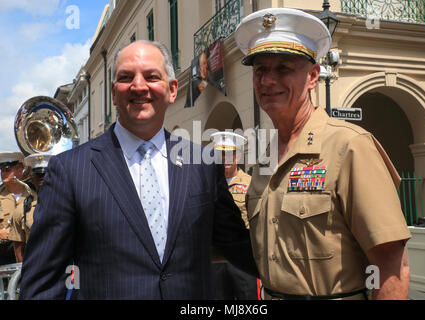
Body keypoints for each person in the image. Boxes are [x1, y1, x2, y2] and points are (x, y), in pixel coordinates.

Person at [19, 40, 257, 299]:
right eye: (126, 77)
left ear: (172, 89)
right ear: (113, 93)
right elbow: (43, 282)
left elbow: (239, 246)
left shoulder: (203, 163)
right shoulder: (70, 170)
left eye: (152, 76)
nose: (139, 85)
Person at [234, 8, 411, 300]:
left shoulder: (349, 145)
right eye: (260, 70)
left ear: (314, 76)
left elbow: (391, 265)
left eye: (283, 68)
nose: (267, 80)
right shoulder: (264, 159)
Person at [209, 132, 258, 300]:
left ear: (237, 155)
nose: (225, 159)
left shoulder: (250, 184)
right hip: (215, 260)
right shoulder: (206, 182)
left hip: (242, 259)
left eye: (229, 153)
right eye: (220, 154)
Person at [8, 154, 51, 262]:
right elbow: (18, 247)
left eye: (45, 174)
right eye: (38, 174)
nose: (41, 177)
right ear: (32, 177)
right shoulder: (21, 210)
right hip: (36, 268)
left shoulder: (68, 203)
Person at [0, 152, 35, 265]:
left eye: (7, 169)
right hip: (3, 257)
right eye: (2, 170)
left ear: (20, 170)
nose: (3, 173)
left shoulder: (34, 195)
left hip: (31, 254)